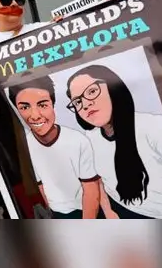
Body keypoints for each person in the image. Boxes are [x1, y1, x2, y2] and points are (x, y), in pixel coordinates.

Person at [66, 65, 162, 219]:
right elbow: (97, 180)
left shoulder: (153, 126)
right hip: (121, 211)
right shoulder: (89, 139)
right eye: (77, 101)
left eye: (92, 92)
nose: (85, 104)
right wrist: (109, 212)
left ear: (114, 88)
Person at [11, 75, 101, 219]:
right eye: (25, 107)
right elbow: (40, 185)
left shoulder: (77, 140)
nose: (35, 115)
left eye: (42, 105)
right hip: (54, 214)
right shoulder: (25, 145)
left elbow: (91, 190)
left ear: (53, 104)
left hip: (85, 212)